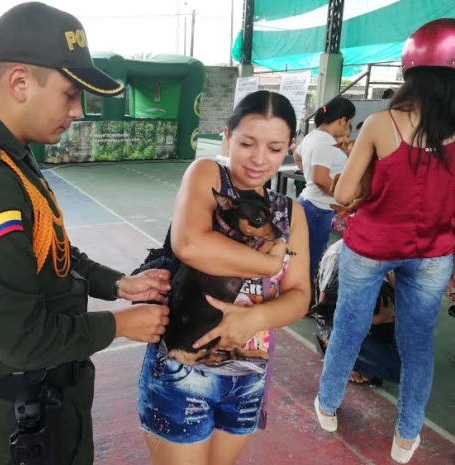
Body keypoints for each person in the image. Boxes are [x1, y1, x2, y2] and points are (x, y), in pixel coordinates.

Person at [0, 3, 171, 465]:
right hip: (29, 413)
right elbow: (20, 341)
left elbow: (50, 250)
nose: (76, 112)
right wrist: (122, 325)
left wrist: (118, 285)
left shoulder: (5, 149)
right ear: (21, 82)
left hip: (48, 396)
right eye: (70, 94)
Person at [137, 90, 311, 465]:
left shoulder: (289, 212)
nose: (259, 159)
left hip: (247, 373)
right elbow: (191, 244)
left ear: (290, 149)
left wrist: (256, 318)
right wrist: (267, 265)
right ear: (227, 135)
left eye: (275, 147)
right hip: (183, 368)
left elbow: (299, 294)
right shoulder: (207, 176)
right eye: (247, 142)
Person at [315, 18, 455, 464]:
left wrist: (364, 184)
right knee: (417, 345)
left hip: (372, 245)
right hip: (434, 253)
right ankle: (406, 437)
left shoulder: (381, 124)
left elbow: (341, 194)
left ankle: (328, 404)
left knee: (349, 329)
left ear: (410, 70)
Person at [311, 239, 401, 386]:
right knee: (401, 371)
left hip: (370, 312)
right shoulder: (339, 256)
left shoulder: (384, 246)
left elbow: (397, 287)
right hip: (343, 321)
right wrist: (377, 319)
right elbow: (323, 312)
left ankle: (360, 355)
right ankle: (339, 355)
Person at [293, 97, 356, 284]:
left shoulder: (313, 136)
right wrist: (343, 196)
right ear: (343, 120)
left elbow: (297, 157)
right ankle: (303, 301)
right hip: (318, 209)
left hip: (310, 205)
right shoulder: (326, 141)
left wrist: (310, 178)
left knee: (302, 255)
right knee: (310, 258)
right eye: (349, 123)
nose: (347, 128)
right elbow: (320, 178)